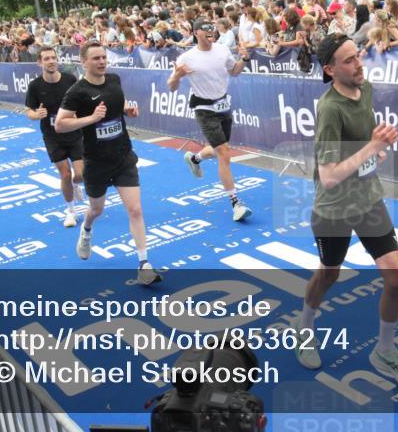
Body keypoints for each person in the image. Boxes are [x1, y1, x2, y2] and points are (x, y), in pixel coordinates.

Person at [292, 33, 398, 387]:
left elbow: (364, 145)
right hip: (334, 208)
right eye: (348, 60)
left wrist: (375, 151)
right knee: (328, 275)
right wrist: (373, 148)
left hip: (367, 199)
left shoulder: (365, 89)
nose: (358, 64)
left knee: (397, 279)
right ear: (330, 70)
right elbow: (328, 177)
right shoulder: (329, 109)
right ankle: (305, 326)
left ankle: (384, 351)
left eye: (358, 56)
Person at [56, 42, 161, 285]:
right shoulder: (77, 92)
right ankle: (86, 230)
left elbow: (116, 105)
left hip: (123, 156)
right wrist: (91, 118)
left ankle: (144, 264)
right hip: (96, 162)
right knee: (96, 210)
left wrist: (127, 110)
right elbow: (60, 124)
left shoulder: (114, 80)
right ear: (84, 62)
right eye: (96, 58)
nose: (102, 62)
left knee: (135, 210)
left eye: (104, 57)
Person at [168, 19, 254, 222]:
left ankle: (195, 158)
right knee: (224, 153)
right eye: (205, 29)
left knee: (219, 149)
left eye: (212, 29)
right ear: (196, 33)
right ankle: (236, 204)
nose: (210, 32)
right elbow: (171, 86)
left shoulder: (222, 50)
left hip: (223, 104)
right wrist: (177, 76)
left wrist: (244, 59)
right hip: (204, 108)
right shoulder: (187, 57)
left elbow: (234, 71)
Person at [25, 47, 85, 228]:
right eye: (46, 59)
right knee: (65, 174)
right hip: (52, 137)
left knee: (80, 175)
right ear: (39, 63)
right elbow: (29, 111)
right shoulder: (35, 86)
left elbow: (81, 102)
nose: (51, 61)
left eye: (53, 58)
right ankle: (71, 211)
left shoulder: (70, 80)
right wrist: (37, 115)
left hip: (74, 133)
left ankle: (75, 185)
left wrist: (79, 114)